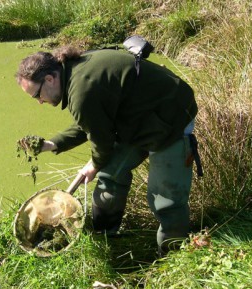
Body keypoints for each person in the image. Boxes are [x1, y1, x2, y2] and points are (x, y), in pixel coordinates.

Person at [15, 45, 201, 256]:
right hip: (140, 117)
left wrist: (93, 164)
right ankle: (105, 236)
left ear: (49, 79)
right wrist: (52, 144)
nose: (39, 102)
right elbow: (93, 119)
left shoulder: (81, 88)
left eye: (36, 95)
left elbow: (100, 139)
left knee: (165, 201)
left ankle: (172, 255)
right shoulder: (74, 71)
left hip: (171, 117)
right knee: (110, 174)